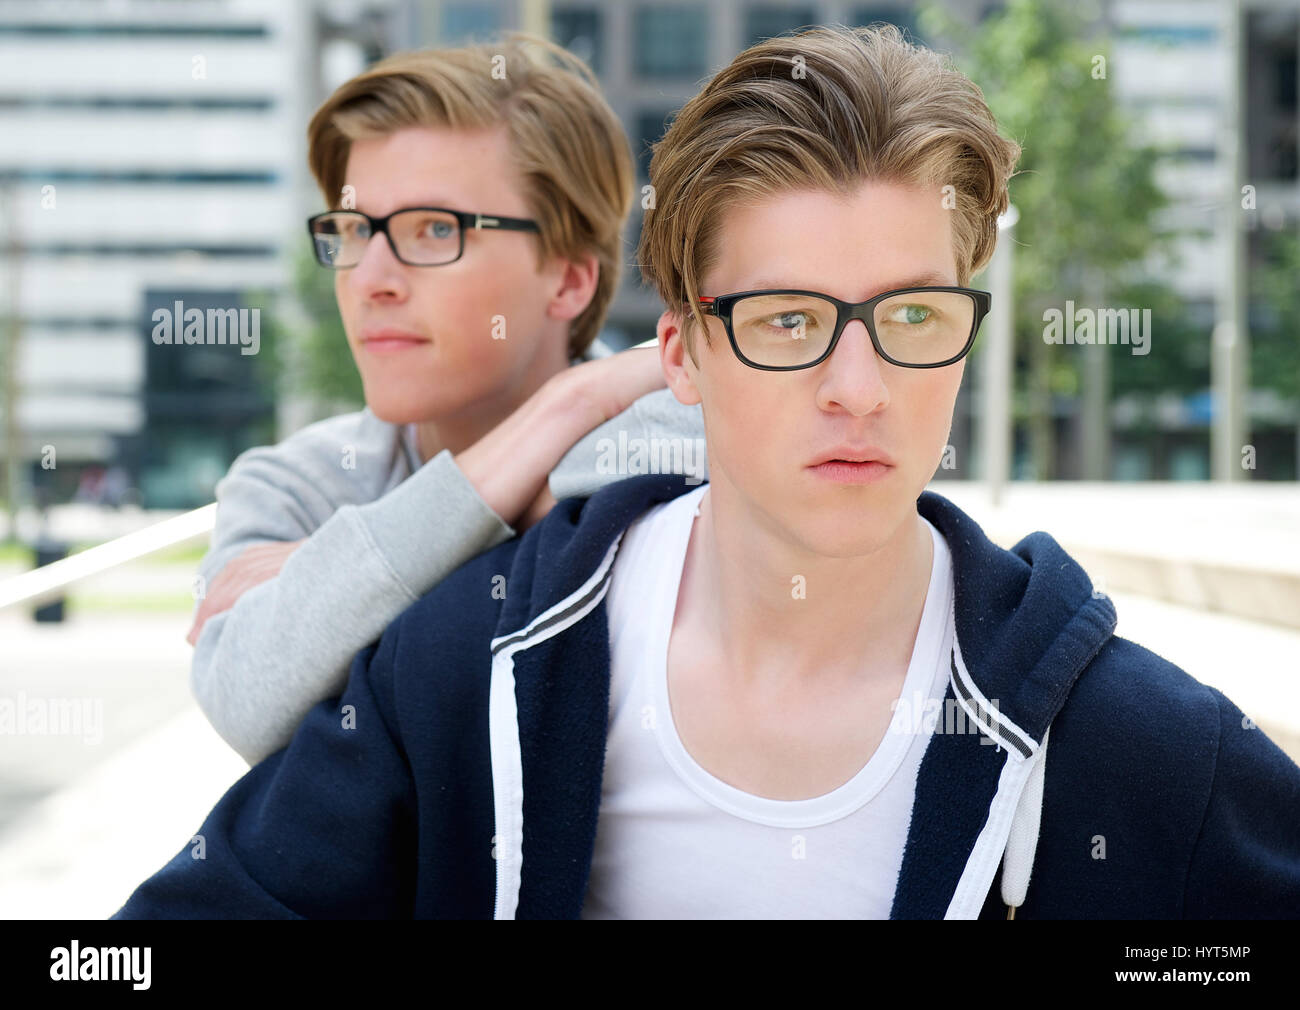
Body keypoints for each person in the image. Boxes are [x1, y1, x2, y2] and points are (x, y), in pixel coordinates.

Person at [114, 23, 1300, 919]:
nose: (858, 386)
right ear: (679, 349)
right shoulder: (463, 665)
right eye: (787, 320)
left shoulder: (1140, 748)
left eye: (914, 314)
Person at [186, 34, 707, 765]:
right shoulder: (292, 484)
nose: (371, 278)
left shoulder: (670, 419)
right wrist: (564, 412)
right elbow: (247, 699)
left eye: (435, 229)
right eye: (353, 229)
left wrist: (330, 572)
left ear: (570, 280)